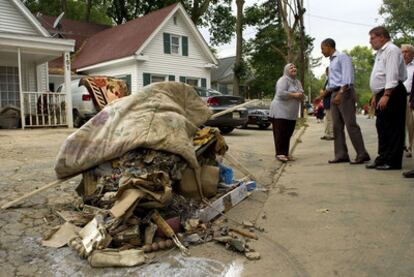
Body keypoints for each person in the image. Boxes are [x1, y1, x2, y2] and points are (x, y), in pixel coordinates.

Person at [320, 38, 370, 164]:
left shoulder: (343, 57)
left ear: (329, 46)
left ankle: (362, 153)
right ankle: (341, 154)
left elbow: (347, 78)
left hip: (344, 93)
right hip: (334, 93)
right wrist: (325, 93)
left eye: (322, 48)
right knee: (337, 126)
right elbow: (333, 82)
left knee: (350, 124)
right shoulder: (331, 61)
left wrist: (341, 93)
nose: (322, 52)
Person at [366, 26, 407, 170]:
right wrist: (375, 95)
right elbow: (380, 75)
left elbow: (392, 74)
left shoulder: (391, 50)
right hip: (382, 93)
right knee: (382, 126)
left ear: (382, 37)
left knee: (393, 127)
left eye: (372, 38)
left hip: (392, 92)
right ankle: (383, 157)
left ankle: (393, 161)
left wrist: (387, 95)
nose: (370, 41)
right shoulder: (380, 52)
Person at [269, 63, 304, 162]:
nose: (293, 68)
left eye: (294, 67)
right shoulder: (283, 80)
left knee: (288, 133)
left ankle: (285, 153)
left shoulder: (297, 82)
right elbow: (280, 93)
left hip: (291, 114)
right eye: (291, 67)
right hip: (280, 111)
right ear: (286, 70)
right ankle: (280, 154)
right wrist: (294, 95)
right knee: (280, 133)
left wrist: (301, 95)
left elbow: (301, 93)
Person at [401, 44, 414, 158]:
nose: (404, 54)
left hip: (410, 97)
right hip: (398, 98)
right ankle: (401, 146)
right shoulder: (398, 66)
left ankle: (410, 148)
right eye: (402, 52)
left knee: (410, 124)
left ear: (412, 53)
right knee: (398, 124)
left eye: (406, 52)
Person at [320, 67, 334, 140]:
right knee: (327, 119)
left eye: (328, 71)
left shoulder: (332, 79)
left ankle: (331, 134)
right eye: (326, 71)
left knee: (330, 119)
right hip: (326, 102)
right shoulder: (327, 79)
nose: (327, 72)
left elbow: (329, 90)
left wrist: (323, 93)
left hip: (330, 101)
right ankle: (326, 133)